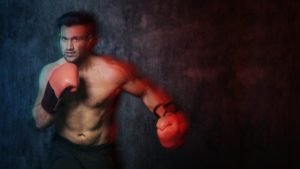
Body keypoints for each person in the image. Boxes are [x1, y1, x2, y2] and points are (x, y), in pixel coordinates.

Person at [32, 11, 188, 169]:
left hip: (100, 152)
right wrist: (54, 91)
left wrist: (168, 115)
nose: (69, 47)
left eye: (76, 39)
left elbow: (147, 91)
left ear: (90, 40)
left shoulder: (113, 72)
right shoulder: (50, 72)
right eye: (64, 39)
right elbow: (39, 122)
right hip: (64, 150)